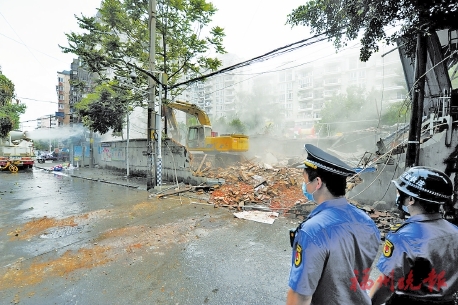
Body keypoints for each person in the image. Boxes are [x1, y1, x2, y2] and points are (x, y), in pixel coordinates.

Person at [287, 144, 381, 305]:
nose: (304, 186)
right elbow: (363, 274)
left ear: (317, 182)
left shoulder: (313, 231)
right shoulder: (367, 222)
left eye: (305, 180)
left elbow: (300, 296)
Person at [369, 166, 458, 305]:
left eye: (400, 192)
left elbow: (387, 283)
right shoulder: (455, 231)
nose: (398, 195)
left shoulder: (405, 237)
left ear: (411, 199)